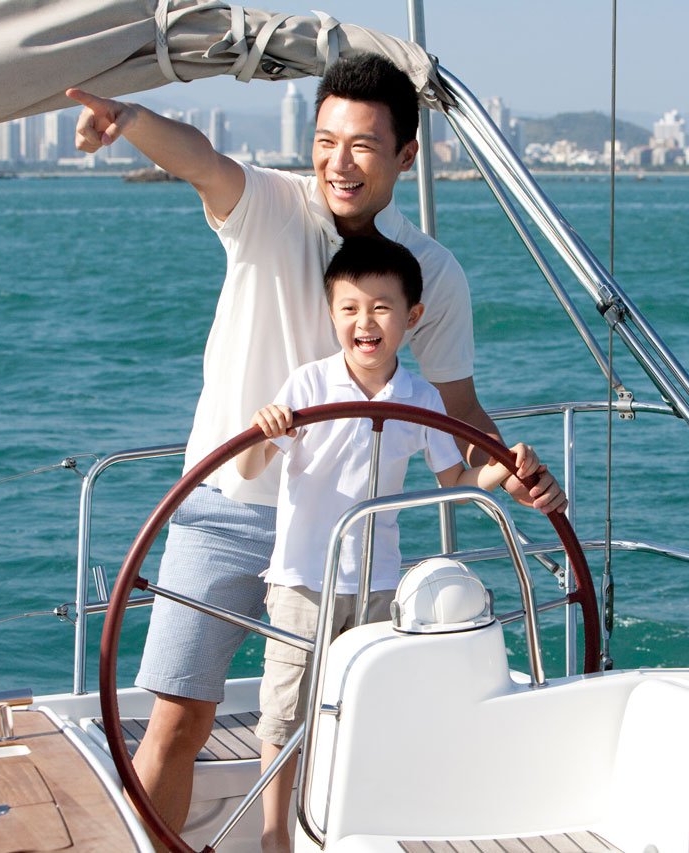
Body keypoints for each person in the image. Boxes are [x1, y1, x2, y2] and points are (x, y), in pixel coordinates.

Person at [66, 52, 567, 838]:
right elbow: (200, 159)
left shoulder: (429, 272)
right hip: (226, 507)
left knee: (336, 724)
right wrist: (129, 120)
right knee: (176, 719)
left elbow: (459, 411)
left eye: (364, 145)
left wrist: (514, 474)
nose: (339, 161)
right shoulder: (269, 204)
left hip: (349, 537)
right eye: (326, 139)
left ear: (406, 156)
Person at [238, 235, 551, 851]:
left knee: (366, 707)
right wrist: (262, 429)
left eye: (382, 308)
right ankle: (276, 837)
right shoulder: (306, 385)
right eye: (350, 308)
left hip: (381, 584)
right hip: (303, 579)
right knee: (285, 713)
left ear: (412, 318)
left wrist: (500, 475)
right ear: (332, 316)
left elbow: (455, 479)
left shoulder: (420, 398)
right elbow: (248, 468)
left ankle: (355, 828)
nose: (365, 321)